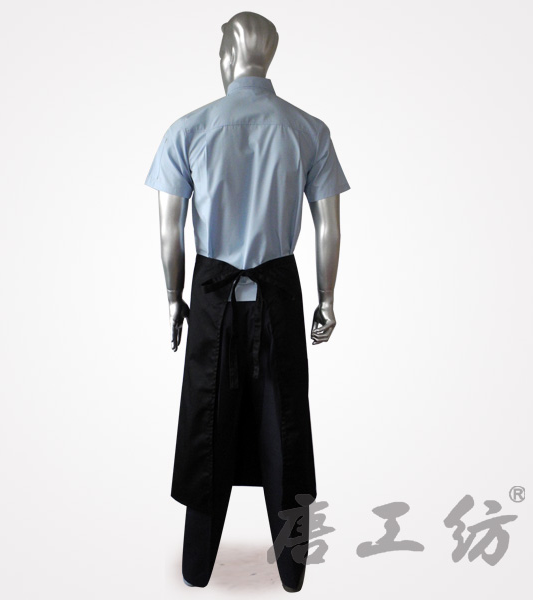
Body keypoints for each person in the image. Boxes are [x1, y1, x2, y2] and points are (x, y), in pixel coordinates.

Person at [144, 11, 351, 592]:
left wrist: (172, 298)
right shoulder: (308, 130)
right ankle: (293, 572)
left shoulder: (189, 129)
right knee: (286, 426)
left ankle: (196, 568)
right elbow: (329, 227)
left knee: (207, 426)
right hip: (279, 300)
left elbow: (168, 230)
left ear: (228, 55)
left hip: (213, 305)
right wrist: (328, 297)